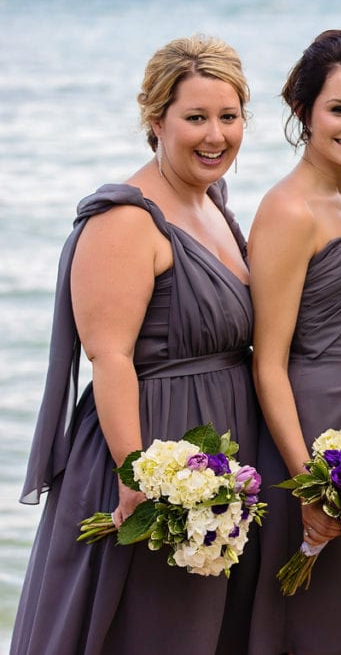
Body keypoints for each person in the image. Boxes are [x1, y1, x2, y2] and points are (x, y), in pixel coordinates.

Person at [12, 35, 261, 655]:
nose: (215, 135)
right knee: (148, 631)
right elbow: (110, 356)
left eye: (228, 118)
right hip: (153, 454)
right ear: (156, 121)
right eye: (196, 118)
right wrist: (136, 475)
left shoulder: (212, 204)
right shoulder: (124, 220)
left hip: (216, 456)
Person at [246, 29, 341, 654]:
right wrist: (308, 480)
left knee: (335, 609)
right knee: (298, 613)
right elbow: (269, 362)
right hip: (306, 420)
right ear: (304, 112)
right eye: (339, 110)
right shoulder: (289, 210)